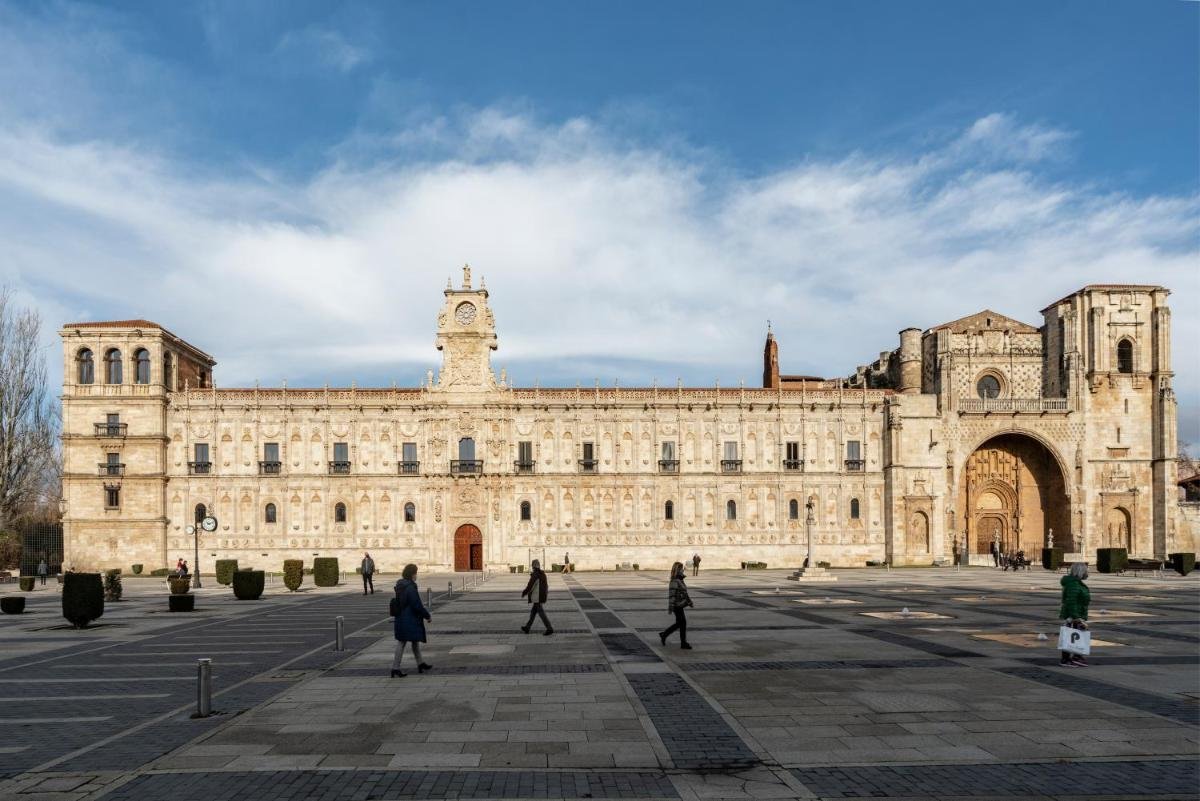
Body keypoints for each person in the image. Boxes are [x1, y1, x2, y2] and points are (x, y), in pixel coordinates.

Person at [391, 563, 432, 677]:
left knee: (414, 641)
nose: (416, 575)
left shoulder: (401, 585)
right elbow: (416, 604)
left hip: (403, 617)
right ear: (412, 574)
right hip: (409, 618)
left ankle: (420, 663)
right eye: (415, 573)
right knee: (402, 642)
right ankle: (395, 668)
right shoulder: (410, 587)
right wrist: (427, 615)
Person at [1059, 562, 1091, 667]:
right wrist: (1076, 617)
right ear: (1081, 572)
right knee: (1072, 636)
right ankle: (1070, 658)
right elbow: (1071, 602)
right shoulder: (1074, 584)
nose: (1088, 572)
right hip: (1074, 615)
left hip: (1076, 614)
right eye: (1086, 570)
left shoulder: (1075, 583)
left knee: (1072, 636)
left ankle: (1071, 658)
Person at [659, 561, 694, 649]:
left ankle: (665, 635)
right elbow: (672, 594)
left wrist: (689, 602)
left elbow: (684, 592)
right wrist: (671, 606)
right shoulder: (674, 581)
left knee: (680, 623)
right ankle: (682, 642)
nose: (683, 570)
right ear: (678, 570)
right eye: (681, 568)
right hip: (676, 605)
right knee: (682, 623)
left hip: (680, 605)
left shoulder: (680, 579)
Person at [520, 559, 553, 635]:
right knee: (533, 612)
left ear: (533, 566)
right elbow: (546, 586)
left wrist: (524, 592)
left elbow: (530, 585)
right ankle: (527, 627)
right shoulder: (542, 574)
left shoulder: (535, 574)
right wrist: (545, 594)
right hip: (540, 596)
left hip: (537, 597)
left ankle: (549, 628)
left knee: (541, 613)